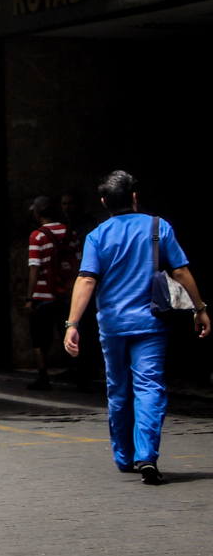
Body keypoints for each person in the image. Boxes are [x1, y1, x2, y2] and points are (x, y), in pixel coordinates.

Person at [64, 171, 210, 485]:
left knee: (118, 390)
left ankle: (124, 457)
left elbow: (87, 279)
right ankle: (147, 456)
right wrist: (200, 309)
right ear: (134, 197)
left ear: (104, 202)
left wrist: (72, 324)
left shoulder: (97, 235)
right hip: (151, 323)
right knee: (149, 387)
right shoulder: (159, 227)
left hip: (113, 325)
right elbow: (181, 272)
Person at [24, 196, 72, 390]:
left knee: (39, 338)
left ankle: (43, 378)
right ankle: (78, 373)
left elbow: (34, 268)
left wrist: (29, 298)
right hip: (66, 295)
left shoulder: (37, 236)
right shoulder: (69, 232)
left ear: (37, 214)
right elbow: (79, 262)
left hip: (43, 296)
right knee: (67, 333)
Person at [58, 191, 101, 390]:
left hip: (84, 280)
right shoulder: (65, 227)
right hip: (70, 282)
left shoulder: (89, 230)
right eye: (64, 203)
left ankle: (86, 366)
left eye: (71, 203)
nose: (67, 207)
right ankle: (75, 365)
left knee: (86, 325)